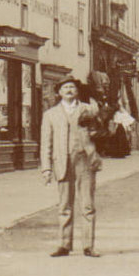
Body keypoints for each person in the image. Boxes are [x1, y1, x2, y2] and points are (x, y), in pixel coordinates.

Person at [40, 79, 102, 257]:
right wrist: (46, 168)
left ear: (77, 91)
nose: (68, 90)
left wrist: (96, 134)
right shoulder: (50, 114)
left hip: (85, 161)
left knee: (87, 204)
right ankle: (64, 244)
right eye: (65, 87)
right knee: (64, 205)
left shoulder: (88, 109)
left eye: (72, 87)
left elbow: (103, 131)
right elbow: (46, 143)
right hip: (62, 162)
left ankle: (88, 246)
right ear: (59, 92)